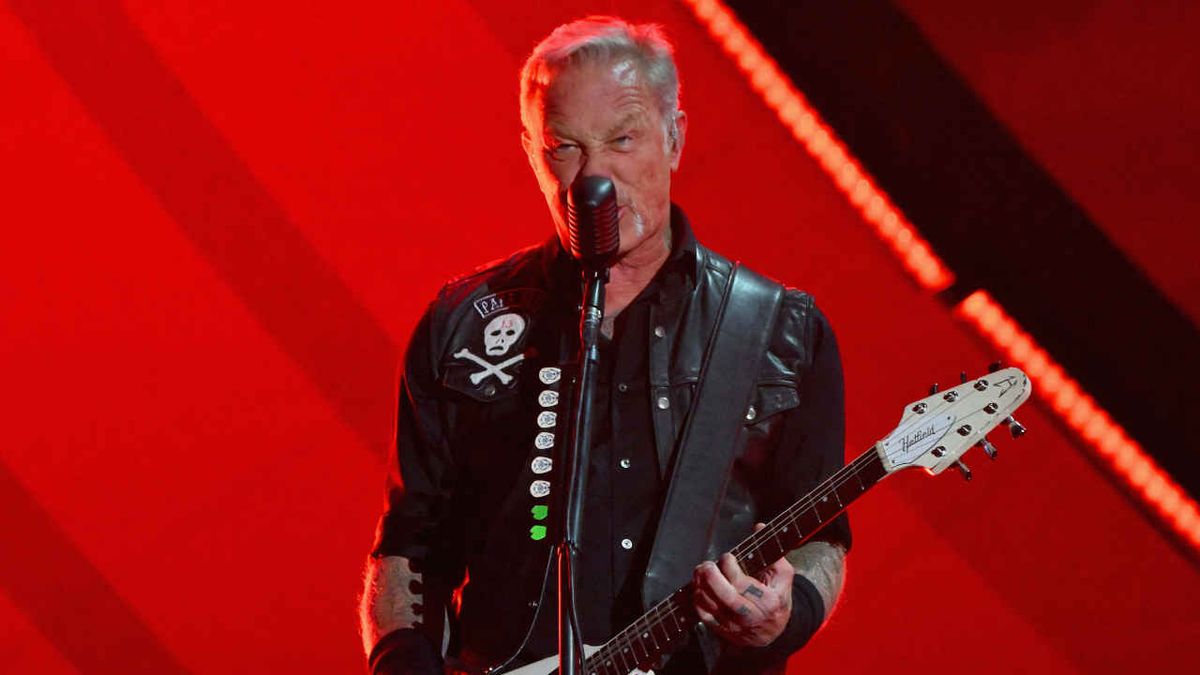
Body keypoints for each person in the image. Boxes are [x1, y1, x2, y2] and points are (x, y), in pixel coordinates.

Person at [359, 16, 849, 675]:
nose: (593, 178)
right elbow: (407, 553)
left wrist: (788, 616)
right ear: (530, 150)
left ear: (675, 137)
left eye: (622, 140)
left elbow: (822, 538)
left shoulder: (781, 329)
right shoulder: (463, 325)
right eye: (565, 148)